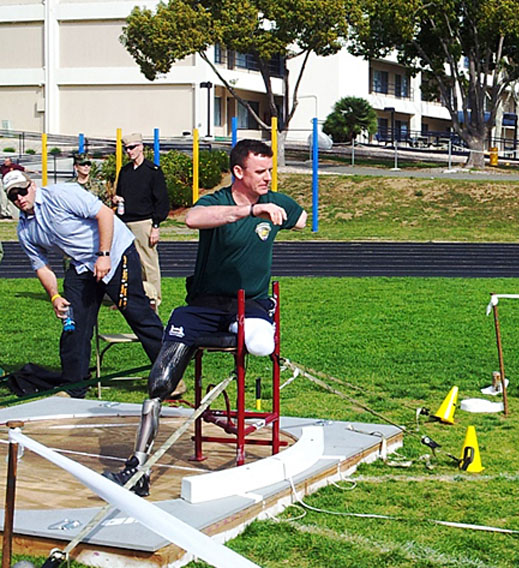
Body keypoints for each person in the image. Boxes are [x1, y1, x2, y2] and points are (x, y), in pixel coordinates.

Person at [104, 139, 306, 496]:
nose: (268, 178)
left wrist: (280, 215)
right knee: (159, 383)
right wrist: (249, 213)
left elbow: (302, 219)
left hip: (251, 304)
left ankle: (246, 341)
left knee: (260, 345)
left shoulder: (275, 200)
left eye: (270, 170)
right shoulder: (218, 201)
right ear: (239, 173)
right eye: (260, 171)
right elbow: (192, 219)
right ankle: (138, 467)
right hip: (204, 306)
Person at [3, 170, 164, 396]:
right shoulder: (25, 231)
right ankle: (74, 387)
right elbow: (41, 266)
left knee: (136, 312)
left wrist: (104, 255)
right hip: (81, 265)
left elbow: (105, 215)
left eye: (22, 191)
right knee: (73, 323)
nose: (20, 198)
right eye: (13, 196)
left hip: (115, 251)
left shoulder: (61, 195)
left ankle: (170, 375)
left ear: (32, 186)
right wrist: (54, 296)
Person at [114, 133, 169, 309]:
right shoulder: (125, 171)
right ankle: (133, 297)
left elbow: (161, 201)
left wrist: (155, 226)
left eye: (132, 147)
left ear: (141, 147)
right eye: (126, 148)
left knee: (148, 263)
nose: (129, 151)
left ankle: (154, 299)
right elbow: (120, 194)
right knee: (129, 263)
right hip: (125, 222)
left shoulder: (153, 172)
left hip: (144, 222)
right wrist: (116, 199)